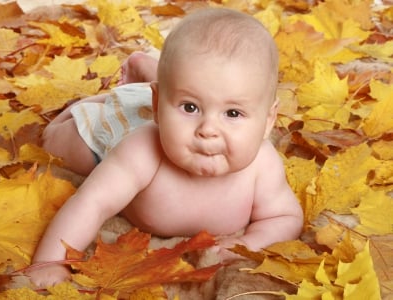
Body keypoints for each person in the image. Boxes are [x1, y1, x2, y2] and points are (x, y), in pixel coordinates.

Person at [28, 7, 304, 287]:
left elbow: (286, 217)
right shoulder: (142, 151)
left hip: (164, 100)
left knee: (184, 89)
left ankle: (151, 73)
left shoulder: (263, 165)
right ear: (158, 107)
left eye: (233, 113)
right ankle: (123, 91)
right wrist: (51, 262)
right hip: (119, 129)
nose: (208, 130)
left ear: (269, 120)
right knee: (57, 142)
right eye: (191, 108)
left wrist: (248, 244)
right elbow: (92, 203)